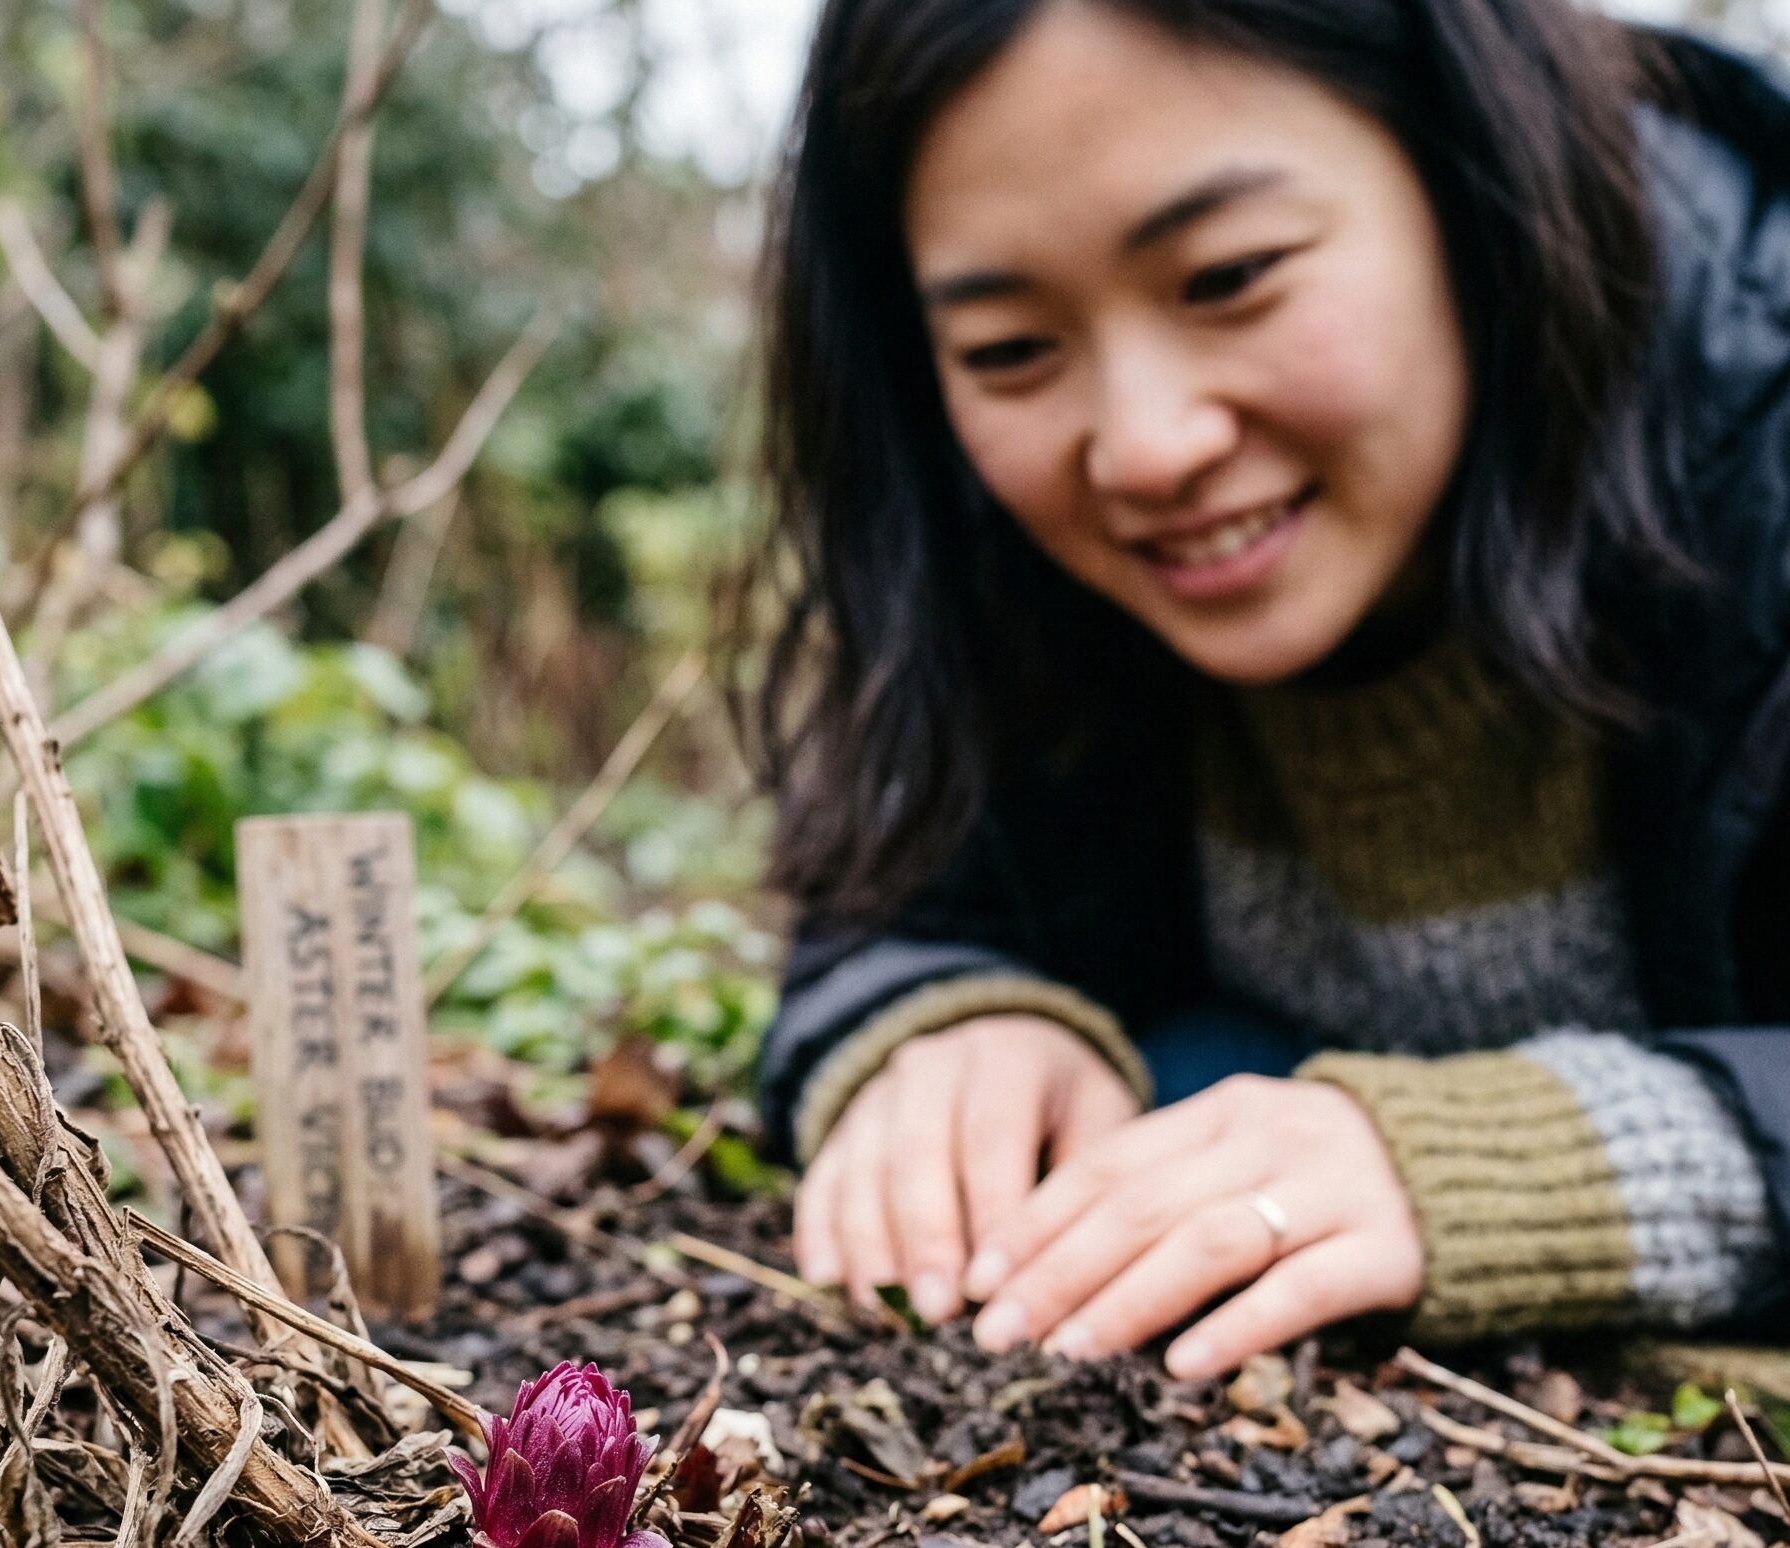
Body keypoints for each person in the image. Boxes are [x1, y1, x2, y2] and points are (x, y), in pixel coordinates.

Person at [749, 0, 1790, 1381]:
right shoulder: (988, 552)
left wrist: (1546, 1166)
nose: (1144, 448)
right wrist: (940, 1018)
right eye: (1009, 349)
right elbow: (894, 904)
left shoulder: (1758, 423)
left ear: (1482, 177)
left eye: (1229, 275)